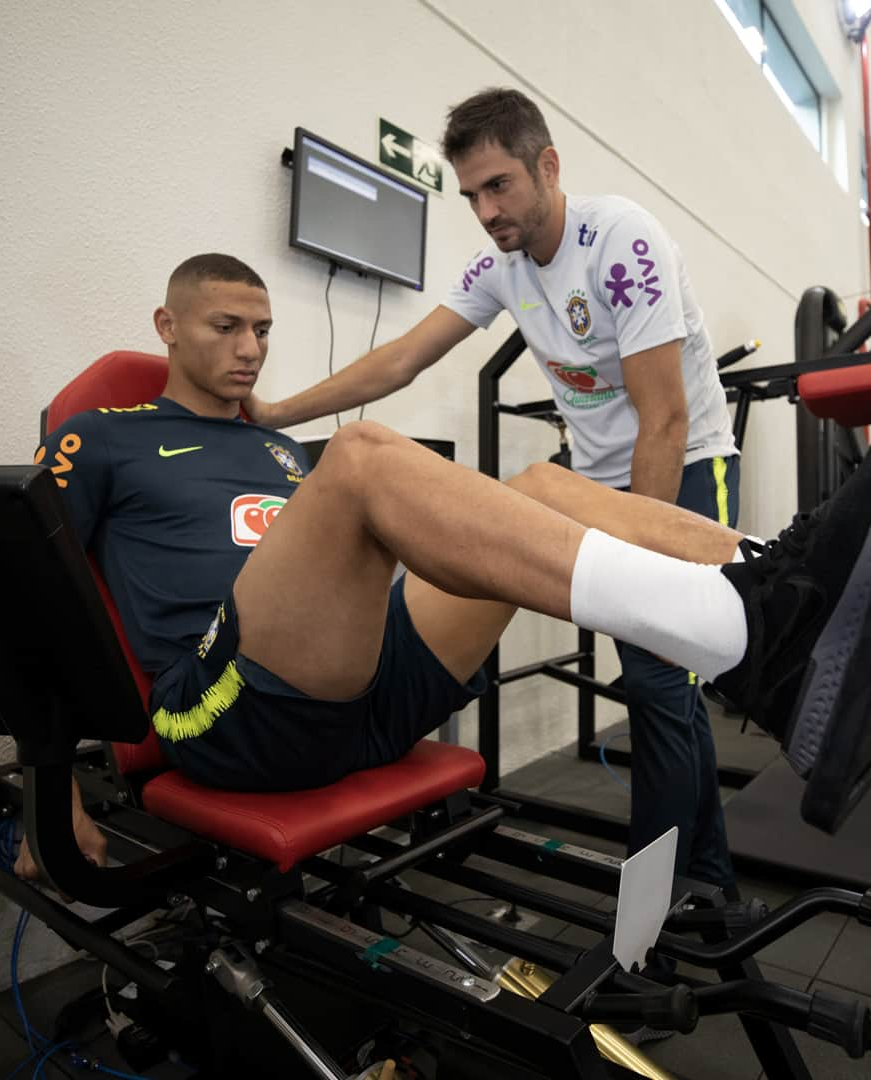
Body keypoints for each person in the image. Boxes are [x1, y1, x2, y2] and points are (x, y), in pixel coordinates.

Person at [20, 253, 871, 886]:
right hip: (223, 717)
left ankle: (778, 579)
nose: (251, 347)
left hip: (363, 698)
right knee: (366, 454)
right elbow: (27, 602)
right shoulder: (103, 437)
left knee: (542, 483)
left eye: (261, 328)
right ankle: (743, 635)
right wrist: (48, 791)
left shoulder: (280, 452)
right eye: (226, 326)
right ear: (167, 327)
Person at [247, 87, 744, 890]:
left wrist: (638, 567)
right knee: (666, 692)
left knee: (656, 681)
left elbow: (665, 420)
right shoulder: (502, 269)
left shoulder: (621, 240)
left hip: (682, 470)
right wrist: (275, 411)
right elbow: (401, 358)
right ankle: (707, 892)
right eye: (472, 194)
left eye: (499, 185)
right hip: (594, 484)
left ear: (547, 165)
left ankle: (659, 920)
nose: (485, 210)